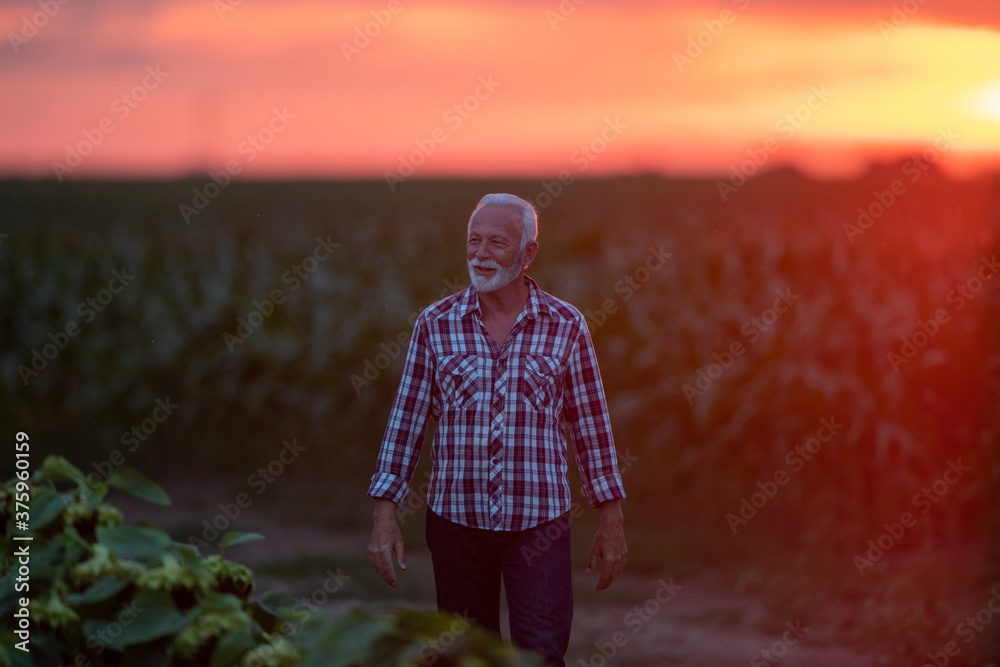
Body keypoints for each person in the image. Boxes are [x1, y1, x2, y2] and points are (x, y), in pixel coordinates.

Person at [367, 193, 627, 666]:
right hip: (455, 519)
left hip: (539, 522)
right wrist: (386, 512)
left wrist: (611, 519)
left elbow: (591, 425)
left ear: (528, 253)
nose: (481, 254)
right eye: (474, 241)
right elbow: (405, 421)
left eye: (497, 243)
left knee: (542, 653)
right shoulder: (436, 324)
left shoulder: (566, 326)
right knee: (468, 655)